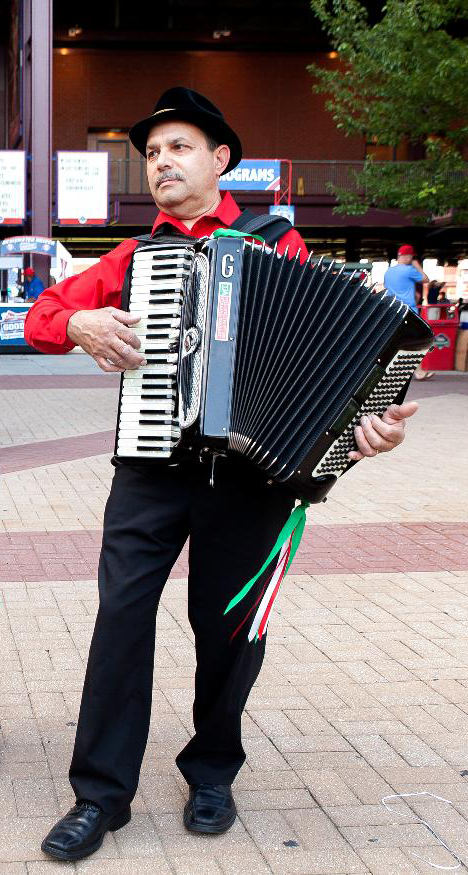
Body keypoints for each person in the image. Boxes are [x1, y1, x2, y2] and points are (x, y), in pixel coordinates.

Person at [25, 87, 419, 862]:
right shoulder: (137, 258)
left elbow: (339, 372)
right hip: (150, 471)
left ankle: (212, 771)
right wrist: (77, 322)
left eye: (178, 147)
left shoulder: (284, 246)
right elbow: (43, 315)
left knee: (231, 633)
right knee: (119, 625)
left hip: (253, 482)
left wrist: (369, 428)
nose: (161, 163)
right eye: (151, 153)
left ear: (220, 161)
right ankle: (100, 796)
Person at [384, 245, 433, 381]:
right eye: (412, 257)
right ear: (407, 256)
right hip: (409, 311)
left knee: (395, 341)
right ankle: (418, 371)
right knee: (417, 341)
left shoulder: (389, 271)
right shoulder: (409, 270)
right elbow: (426, 279)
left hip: (392, 310)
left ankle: (391, 370)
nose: (412, 259)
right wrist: (417, 265)